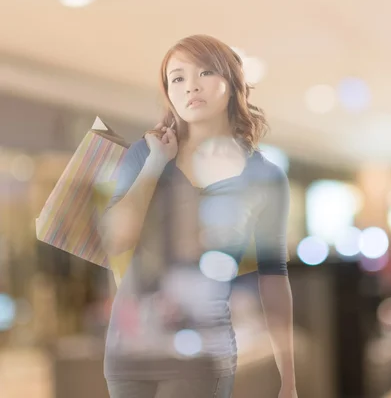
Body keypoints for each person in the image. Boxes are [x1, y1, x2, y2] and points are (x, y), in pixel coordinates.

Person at [99, 34, 297, 398]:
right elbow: (116, 238)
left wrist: (288, 378)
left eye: (205, 72)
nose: (190, 86)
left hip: (204, 349)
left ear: (232, 82)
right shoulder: (144, 155)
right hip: (129, 350)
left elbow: (273, 277)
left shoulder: (265, 176)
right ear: (168, 93)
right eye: (177, 78)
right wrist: (156, 163)